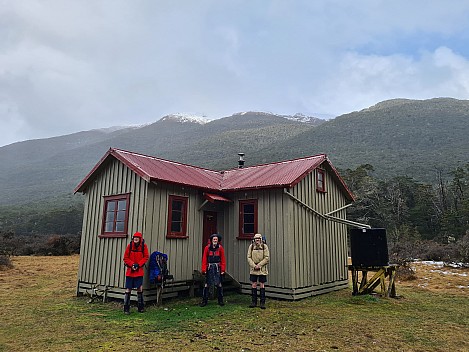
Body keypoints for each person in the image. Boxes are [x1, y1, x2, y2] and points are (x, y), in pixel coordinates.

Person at [122, 231, 149, 314]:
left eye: (137, 238)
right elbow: (125, 258)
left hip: (139, 271)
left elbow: (146, 257)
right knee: (128, 288)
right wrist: (132, 264)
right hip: (130, 271)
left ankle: (140, 307)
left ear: (140, 239)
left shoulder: (144, 247)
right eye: (134, 238)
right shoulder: (129, 246)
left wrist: (138, 265)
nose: (136, 239)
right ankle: (126, 309)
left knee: (139, 288)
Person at [200, 233, 226, 307]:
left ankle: (220, 301)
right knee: (207, 284)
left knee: (219, 284)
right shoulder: (207, 248)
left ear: (218, 241)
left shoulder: (220, 248)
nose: (215, 240)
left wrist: (223, 270)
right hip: (209, 267)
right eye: (214, 239)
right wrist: (204, 269)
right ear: (211, 240)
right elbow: (204, 259)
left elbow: (223, 260)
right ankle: (204, 301)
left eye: (216, 239)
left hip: (217, 268)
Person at [247, 233, 270, 309]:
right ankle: (254, 302)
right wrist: (254, 265)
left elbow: (267, 258)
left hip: (262, 269)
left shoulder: (264, 246)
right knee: (253, 284)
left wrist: (259, 265)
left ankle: (262, 302)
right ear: (254, 239)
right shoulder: (251, 247)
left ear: (261, 239)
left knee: (261, 284)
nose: (257, 240)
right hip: (253, 269)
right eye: (256, 239)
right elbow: (249, 257)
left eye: (258, 239)